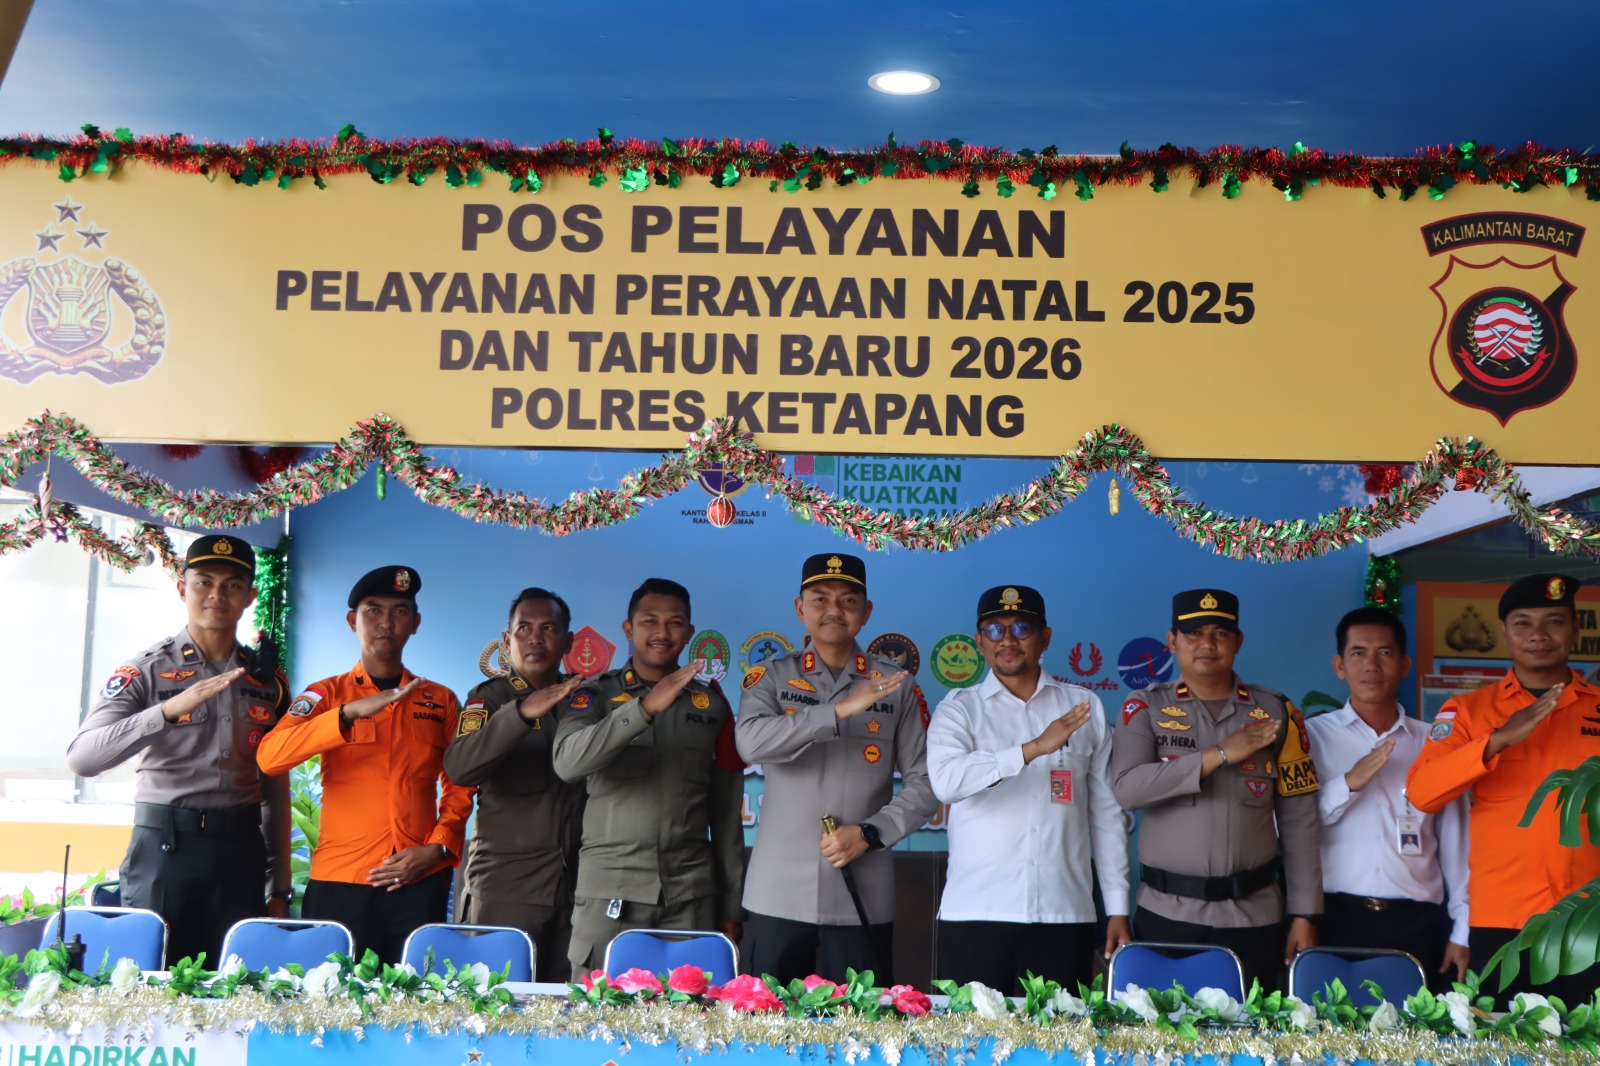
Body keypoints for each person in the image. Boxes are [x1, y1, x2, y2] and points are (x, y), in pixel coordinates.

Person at [66, 534, 292, 965]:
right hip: (165, 849)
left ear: (250, 597)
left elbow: (275, 789)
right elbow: (83, 758)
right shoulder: (147, 670)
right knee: (151, 976)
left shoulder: (268, 681)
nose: (216, 595)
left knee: (236, 982)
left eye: (232, 585)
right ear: (182, 588)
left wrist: (279, 888)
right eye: (204, 582)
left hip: (239, 852)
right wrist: (166, 712)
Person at [735, 553, 938, 983]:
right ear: (800, 608)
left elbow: (925, 785)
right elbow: (750, 744)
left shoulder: (895, 685)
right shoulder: (770, 677)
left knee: (862, 1022)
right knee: (765, 1018)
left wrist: (869, 833)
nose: (834, 610)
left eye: (848, 601)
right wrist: (840, 710)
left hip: (861, 892)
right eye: (820, 598)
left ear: (866, 612)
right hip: (778, 891)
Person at [256, 565, 474, 964]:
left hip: (418, 878)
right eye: (373, 610)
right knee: (332, 993)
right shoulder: (326, 694)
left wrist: (439, 848)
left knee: (417, 992)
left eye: (400, 611)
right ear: (352, 621)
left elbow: (461, 782)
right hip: (340, 881)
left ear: (415, 623)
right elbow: (270, 757)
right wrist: (346, 715)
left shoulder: (439, 700)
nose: (386, 623)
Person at [1110, 588, 1322, 992]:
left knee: (1252, 1028)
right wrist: (1220, 754)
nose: (1207, 644)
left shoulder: (1276, 712)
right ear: (1172, 641)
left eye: (1220, 633)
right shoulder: (1146, 707)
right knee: (1166, 1028)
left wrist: (1305, 914)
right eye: (1193, 633)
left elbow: (1300, 819)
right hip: (1168, 914)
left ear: (1238, 642)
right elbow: (1128, 788)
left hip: (1255, 915)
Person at [927, 585, 1130, 994]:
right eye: (995, 629)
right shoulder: (959, 708)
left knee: (1060, 1035)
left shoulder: (1083, 707)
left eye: (1021, 627)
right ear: (979, 641)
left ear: (1045, 637)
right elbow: (947, 782)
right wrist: (1032, 749)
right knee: (969, 1034)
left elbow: (1107, 817)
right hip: (975, 912)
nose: (1008, 639)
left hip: (1064, 912)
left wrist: (1118, 909)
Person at [1407, 573, 1600, 1002]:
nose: (1538, 635)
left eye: (1553, 621)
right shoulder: (1469, 711)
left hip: (1589, 917)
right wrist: (1496, 740)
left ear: (1575, 628)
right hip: (1503, 920)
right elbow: (1422, 792)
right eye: (1523, 623)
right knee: (1503, 1036)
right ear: (1504, 632)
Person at [552, 577, 746, 978]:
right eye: (649, 621)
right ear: (628, 629)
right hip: (611, 892)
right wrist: (643, 710)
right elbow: (568, 763)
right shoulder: (595, 695)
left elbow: (726, 813)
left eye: (675, 623)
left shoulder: (710, 703)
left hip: (689, 896)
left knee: (689, 1012)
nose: (662, 632)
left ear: (689, 632)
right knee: (601, 1010)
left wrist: (730, 906)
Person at [1305, 607, 1469, 988]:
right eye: (1358, 653)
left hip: (1417, 923)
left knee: (1418, 1025)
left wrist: (1462, 930)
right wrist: (1348, 783)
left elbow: (1459, 845)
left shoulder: (1434, 742)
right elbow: (1291, 827)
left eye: (1384, 653)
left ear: (1404, 665)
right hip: (1334, 917)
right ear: (1339, 666)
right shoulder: (1312, 738)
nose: (1371, 665)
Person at [442, 587, 586, 982]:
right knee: (498, 1003)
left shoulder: (584, 700)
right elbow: (459, 767)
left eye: (548, 628)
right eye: (524, 628)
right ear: (507, 641)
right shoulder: (489, 698)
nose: (535, 639)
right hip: (506, 888)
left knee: (567, 1009)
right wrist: (520, 715)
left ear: (568, 641)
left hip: (576, 889)